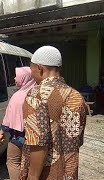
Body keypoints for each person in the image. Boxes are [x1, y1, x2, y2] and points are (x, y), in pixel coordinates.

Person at [19, 46, 87, 180]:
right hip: (68, 173)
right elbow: (76, 140)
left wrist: (32, 177)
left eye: (31, 68)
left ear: (40, 68)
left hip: (45, 174)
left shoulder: (36, 95)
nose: (31, 74)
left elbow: (38, 143)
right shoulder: (76, 96)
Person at [0, 67, 36, 180]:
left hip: (18, 136)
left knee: (13, 162)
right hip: (36, 138)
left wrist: (2, 132)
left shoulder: (18, 96)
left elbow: (8, 117)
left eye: (17, 76)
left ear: (25, 78)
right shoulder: (38, 94)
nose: (15, 78)